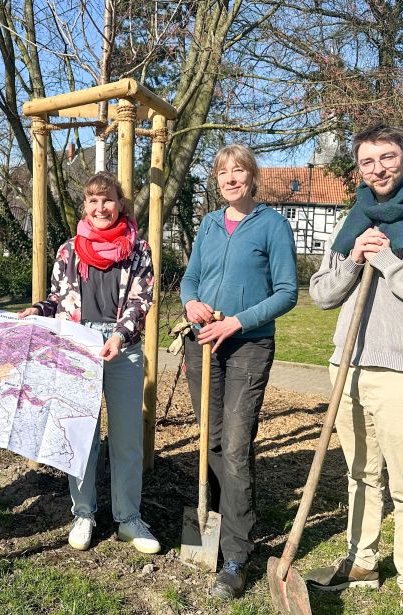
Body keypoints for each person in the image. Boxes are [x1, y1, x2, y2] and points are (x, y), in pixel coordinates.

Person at [305, 124, 403, 615]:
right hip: (347, 369)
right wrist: (354, 260)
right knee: (359, 475)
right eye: (369, 161)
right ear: (359, 168)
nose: (379, 169)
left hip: (402, 373)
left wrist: (391, 264)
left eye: (388, 158)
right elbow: (320, 294)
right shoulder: (352, 219)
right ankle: (362, 562)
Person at [18, 172, 159, 555]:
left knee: (127, 438)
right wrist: (38, 310)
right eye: (93, 201)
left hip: (122, 346)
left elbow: (140, 301)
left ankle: (129, 517)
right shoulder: (69, 250)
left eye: (108, 199)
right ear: (85, 206)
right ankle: (83, 512)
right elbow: (57, 298)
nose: (101, 207)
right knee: (79, 436)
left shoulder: (139, 251)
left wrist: (119, 335)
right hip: (77, 347)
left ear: (121, 204)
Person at [179, 143, 298, 600]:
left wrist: (238, 321)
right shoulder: (209, 224)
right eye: (223, 172)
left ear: (252, 177)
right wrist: (191, 304)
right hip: (203, 344)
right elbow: (191, 278)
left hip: (247, 346)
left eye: (239, 171)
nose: (230, 178)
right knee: (209, 439)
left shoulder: (272, 225)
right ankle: (227, 518)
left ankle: (234, 553)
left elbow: (287, 292)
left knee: (234, 447)